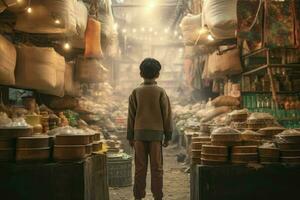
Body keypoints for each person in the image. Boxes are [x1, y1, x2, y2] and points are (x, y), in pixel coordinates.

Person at [127, 58, 173, 200]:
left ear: (141, 73)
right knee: (157, 168)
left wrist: (130, 136)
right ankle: (158, 196)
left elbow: (131, 116)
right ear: (158, 74)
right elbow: (167, 115)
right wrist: (168, 135)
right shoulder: (160, 92)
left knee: (140, 169)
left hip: (139, 136)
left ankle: (138, 196)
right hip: (156, 137)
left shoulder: (135, 92)